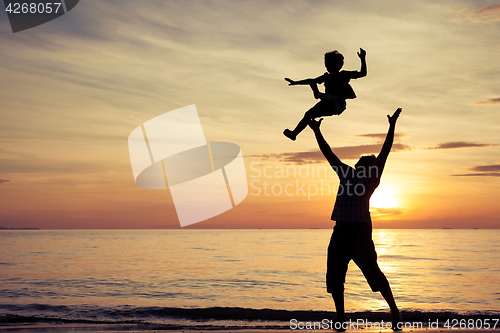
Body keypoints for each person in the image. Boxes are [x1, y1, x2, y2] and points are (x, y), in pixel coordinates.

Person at [308, 108, 403, 331]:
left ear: (370, 168)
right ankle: (340, 316)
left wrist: (391, 125)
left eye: (366, 161)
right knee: (335, 277)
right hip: (339, 232)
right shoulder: (346, 173)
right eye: (362, 160)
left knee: (374, 275)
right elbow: (328, 152)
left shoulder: (371, 181)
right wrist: (316, 131)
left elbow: (385, 152)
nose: (362, 161)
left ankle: (395, 312)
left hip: (358, 235)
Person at [283, 48, 367, 141]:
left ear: (341, 64)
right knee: (308, 114)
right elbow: (310, 81)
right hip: (326, 104)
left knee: (329, 97)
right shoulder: (326, 77)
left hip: (339, 103)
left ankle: (318, 94)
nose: (331, 65)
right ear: (325, 65)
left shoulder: (344, 74)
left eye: (334, 63)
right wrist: (295, 82)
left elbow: (362, 73)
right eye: (328, 63)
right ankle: (294, 133)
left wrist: (362, 59)